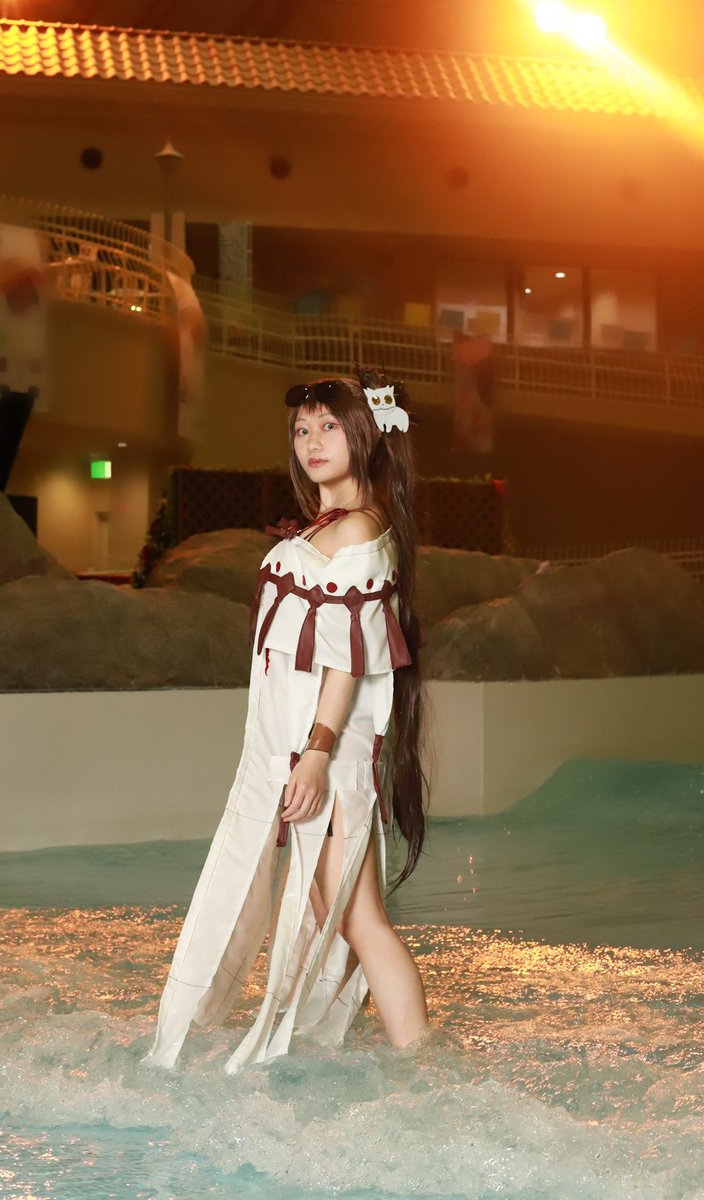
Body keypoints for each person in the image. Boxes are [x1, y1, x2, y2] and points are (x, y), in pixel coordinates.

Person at [145, 368, 430, 1075]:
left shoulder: (358, 531)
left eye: (329, 426)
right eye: (302, 430)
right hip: (306, 750)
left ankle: (423, 1062)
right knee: (341, 909)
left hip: (323, 752)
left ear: (365, 435)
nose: (312, 441)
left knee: (359, 916)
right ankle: (400, 1053)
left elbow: (345, 661)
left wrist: (317, 752)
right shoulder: (339, 527)